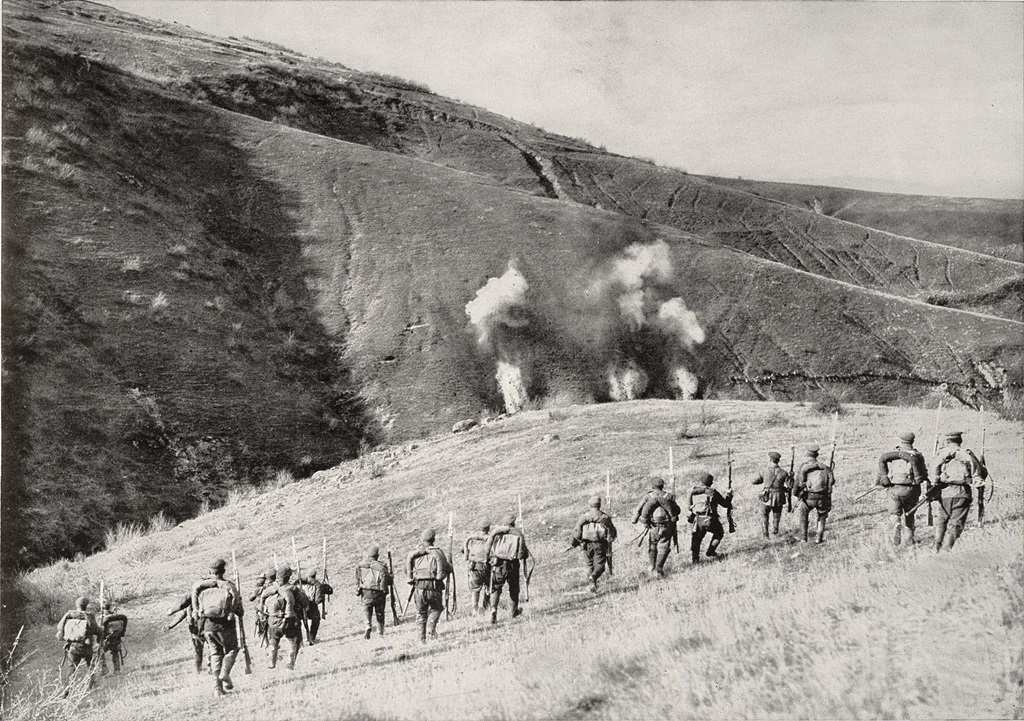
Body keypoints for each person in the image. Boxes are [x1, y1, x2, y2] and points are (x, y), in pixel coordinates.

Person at [192, 558, 243, 696]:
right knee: (232, 649)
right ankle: (225, 673)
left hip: (208, 626)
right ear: (223, 571)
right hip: (225, 625)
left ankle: (217, 689)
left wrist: (196, 612)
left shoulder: (201, 587)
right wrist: (234, 611)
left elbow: (195, 604)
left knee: (215, 654)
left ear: (210, 572)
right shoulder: (229, 586)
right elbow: (239, 608)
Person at [932, 431, 985, 551]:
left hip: (945, 493)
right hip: (962, 493)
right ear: (960, 441)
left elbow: (933, 473)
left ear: (947, 441)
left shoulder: (940, 454)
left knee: (941, 520)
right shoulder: (967, 454)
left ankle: (936, 547)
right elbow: (980, 474)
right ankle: (946, 550)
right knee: (955, 524)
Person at [876, 431, 929, 546]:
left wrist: (880, 482)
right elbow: (923, 474)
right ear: (912, 441)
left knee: (894, 513)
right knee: (910, 514)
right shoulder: (917, 455)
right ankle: (909, 540)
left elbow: (882, 471)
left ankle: (896, 525)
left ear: (901, 441)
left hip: (895, 488)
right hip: (912, 489)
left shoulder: (893, 454)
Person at [406, 529, 452, 642]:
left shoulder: (415, 553)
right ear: (433, 539)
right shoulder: (438, 552)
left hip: (419, 587)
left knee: (421, 613)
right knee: (436, 608)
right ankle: (431, 630)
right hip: (434, 587)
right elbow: (446, 569)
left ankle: (421, 638)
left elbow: (406, 570)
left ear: (422, 539)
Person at [261, 565, 308, 669]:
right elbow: (305, 603)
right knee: (294, 642)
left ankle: (271, 662)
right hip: (290, 621)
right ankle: (290, 664)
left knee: (273, 640)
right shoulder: (293, 589)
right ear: (288, 577)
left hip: (273, 620)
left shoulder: (270, 589)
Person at [486, 514, 531, 624]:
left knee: (496, 588)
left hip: (498, 564)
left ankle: (493, 609)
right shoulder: (518, 533)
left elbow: (489, 549)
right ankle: (513, 612)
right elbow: (521, 555)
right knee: (514, 588)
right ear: (513, 523)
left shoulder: (496, 533)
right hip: (512, 564)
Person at [632, 478, 679, 577]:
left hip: (653, 526)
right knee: (664, 546)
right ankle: (659, 568)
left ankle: (651, 566)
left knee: (652, 545)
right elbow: (677, 510)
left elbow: (639, 509)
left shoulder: (648, 496)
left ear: (652, 486)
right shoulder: (669, 496)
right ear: (663, 486)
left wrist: (635, 519)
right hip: (667, 526)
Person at [570, 496, 617, 593]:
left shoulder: (584, 516)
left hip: (586, 545)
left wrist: (574, 543)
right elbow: (611, 531)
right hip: (599, 545)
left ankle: (592, 585)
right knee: (600, 566)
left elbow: (576, 531)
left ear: (589, 505)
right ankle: (593, 578)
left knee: (590, 565)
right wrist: (610, 539)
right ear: (599, 505)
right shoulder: (604, 517)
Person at [793, 444, 836, 544]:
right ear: (817, 455)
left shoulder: (804, 467)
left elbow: (798, 483)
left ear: (807, 454)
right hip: (823, 497)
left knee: (803, 513)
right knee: (822, 515)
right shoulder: (826, 468)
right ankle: (819, 538)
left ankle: (803, 538)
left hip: (809, 497)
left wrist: (796, 493)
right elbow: (832, 481)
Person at [687, 471, 733, 562]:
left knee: (696, 540)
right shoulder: (713, 492)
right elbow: (725, 504)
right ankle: (711, 551)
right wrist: (729, 495)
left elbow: (690, 507)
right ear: (710, 482)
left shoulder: (693, 492)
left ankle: (695, 560)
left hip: (698, 519)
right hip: (710, 519)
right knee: (719, 533)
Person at [55, 596, 100, 687]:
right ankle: (92, 684)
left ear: (76, 605)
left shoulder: (69, 614)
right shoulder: (89, 616)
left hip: (73, 646)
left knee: (71, 668)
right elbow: (95, 629)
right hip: (86, 646)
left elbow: (59, 627)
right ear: (86, 605)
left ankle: (67, 689)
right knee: (90, 665)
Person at [752, 451, 791, 538]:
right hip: (779, 497)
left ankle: (765, 535)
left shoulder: (764, 471)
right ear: (778, 461)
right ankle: (775, 530)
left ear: (770, 460)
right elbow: (790, 485)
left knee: (764, 515)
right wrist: (791, 477)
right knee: (777, 515)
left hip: (766, 497)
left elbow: (754, 481)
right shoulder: (783, 472)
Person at [166, 592, 207, 674]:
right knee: (198, 650)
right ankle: (199, 669)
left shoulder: (204, 601)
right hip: (196, 630)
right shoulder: (189, 606)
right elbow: (181, 615)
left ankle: (207, 668)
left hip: (205, 628)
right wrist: (170, 626)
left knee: (204, 649)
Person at [355, 546, 391, 639]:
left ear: (368, 555)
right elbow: (389, 581)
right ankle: (380, 633)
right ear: (377, 556)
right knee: (380, 613)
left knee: (367, 609)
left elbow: (357, 579)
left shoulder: (360, 566)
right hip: (379, 593)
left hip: (365, 592)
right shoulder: (382, 567)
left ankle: (368, 624)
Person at [463, 520, 492, 613]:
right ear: (488, 528)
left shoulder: (472, 538)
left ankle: (475, 610)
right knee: (488, 587)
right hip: (487, 567)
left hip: (474, 567)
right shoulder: (491, 538)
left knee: (475, 589)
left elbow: (462, 549)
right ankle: (486, 607)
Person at [99, 602, 128, 676]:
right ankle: (117, 670)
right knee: (115, 653)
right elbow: (123, 631)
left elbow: (100, 630)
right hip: (116, 640)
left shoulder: (104, 619)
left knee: (100, 652)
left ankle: (104, 669)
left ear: (103, 609)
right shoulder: (119, 617)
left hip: (107, 641)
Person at [249, 567, 275, 646]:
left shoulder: (258, 589)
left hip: (261, 610)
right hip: (269, 609)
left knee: (262, 628)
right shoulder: (268, 587)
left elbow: (250, 598)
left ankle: (266, 644)